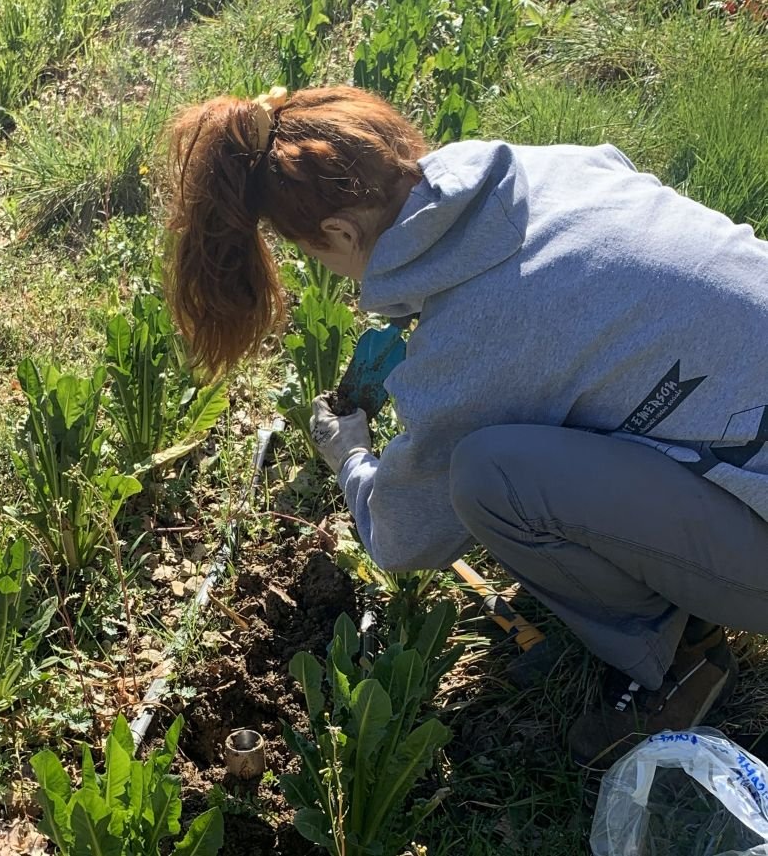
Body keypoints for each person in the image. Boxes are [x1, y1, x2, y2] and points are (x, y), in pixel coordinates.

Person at [163, 85, 768, 768]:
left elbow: (403, 536)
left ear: (338, 234)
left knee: (489, 477)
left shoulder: (469, 342)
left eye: (317, 256)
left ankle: (675, 653)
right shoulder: (554, 166)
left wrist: (351, 456)